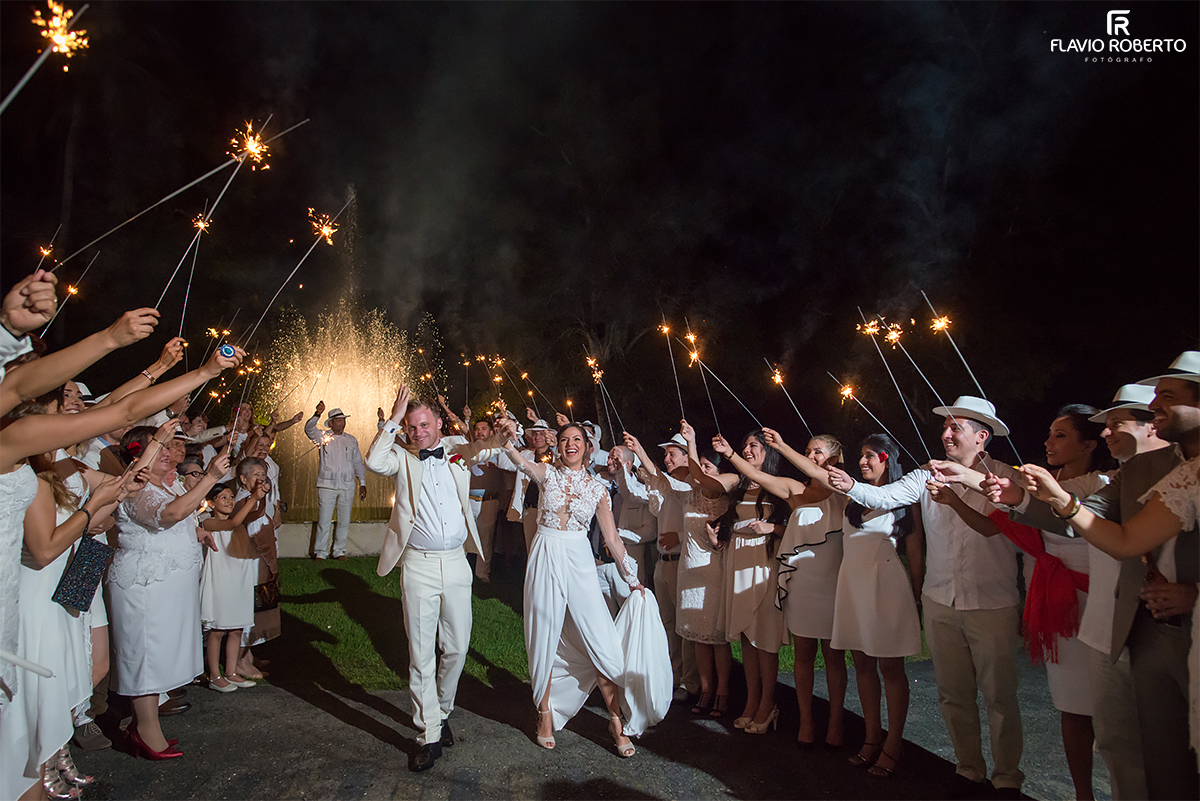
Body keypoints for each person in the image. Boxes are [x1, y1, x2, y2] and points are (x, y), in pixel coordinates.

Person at [993, 353, 1199, 800]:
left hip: (1187, 637)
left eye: (1168, 396)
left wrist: (1195, 594)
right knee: (1142, 755)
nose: (1105, 432)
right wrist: (1044, 499)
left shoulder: (1181, 470)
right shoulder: (1137, 473)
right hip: (1133, 630)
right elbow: (1090, 523)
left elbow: (1116, 535)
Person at [828, 396, 1024, 794]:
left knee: (1000, 697)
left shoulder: (1005, 478)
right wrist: (851, 485)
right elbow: (885, 497)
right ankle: (968, 769)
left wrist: (953, 499)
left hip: (992, 602)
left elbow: (993, 528)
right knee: (953, 695)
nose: (946, 433)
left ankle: (1006, 779)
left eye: (956, 427)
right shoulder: (925, 474)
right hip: (940, 599)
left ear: (981, 437)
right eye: (945, 426)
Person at [930, 405, 1110, 799]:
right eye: (1049, 434)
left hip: (1099, 602)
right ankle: (1083, 793)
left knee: (1114, 716)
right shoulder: (1040, 483)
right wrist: (956, 497)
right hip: (1052, 603)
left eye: (1060, 436)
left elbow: (1050, 506)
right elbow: (1005, 521)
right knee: (1071, 707)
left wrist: (969, 477)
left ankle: (1013, 776)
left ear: (1090, 445)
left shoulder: (1103, 483)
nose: (1048, 442)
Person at [365, 385, 512, 772]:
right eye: (413, 427)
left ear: (437, 423)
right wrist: (394, 419)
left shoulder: (456, 451)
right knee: (420, 653)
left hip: (456, 563)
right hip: (418, 565)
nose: (419, 432)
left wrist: (503, 432)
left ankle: (442, 710)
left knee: (458, 647)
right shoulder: (400, 457)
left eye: (424, 424)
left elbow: (488, 447)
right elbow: (374, 461)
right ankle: (427, 732)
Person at [502, 422, 664, 756]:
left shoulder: (598, 490)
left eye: (577, 440)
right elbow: (520, 461)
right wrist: (507, 442)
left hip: (578, 560)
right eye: (564, 440)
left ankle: (615, 718)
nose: (571, 444)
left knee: (598, 636)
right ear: (557, 446)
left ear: (588, 447)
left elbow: (613, 539)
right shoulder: (547, 474)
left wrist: (630, 575)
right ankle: (544, 714)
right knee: (543, 633)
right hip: (545, 555)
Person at [786, 430, 923, 775]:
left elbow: (916, 548)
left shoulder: (903, 494)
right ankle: (871, 736)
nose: (861, 462)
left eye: (869, 456)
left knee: (890, 669)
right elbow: (817, 473)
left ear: (885, 459)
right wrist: (782, 446)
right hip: (853, 584)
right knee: (862, 664)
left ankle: (894, 743)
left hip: (885, 583)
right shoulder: (851, 495)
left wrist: (919, 593)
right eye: (860, 455)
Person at [718, 428, 851, 750]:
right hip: (802, 580)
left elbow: (821, 475)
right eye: (807, 451)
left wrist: (783, 445)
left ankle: (835, 721)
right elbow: (754, 475)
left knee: (833, 657)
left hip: (834, 580)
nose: (809, 456)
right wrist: (730, 454)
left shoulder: (843, 487)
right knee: (804, 656)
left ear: (833, 459)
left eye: (816, 452)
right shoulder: (794, 489)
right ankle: (806, 719)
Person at [107, 428, 232, 759]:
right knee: (146, 653)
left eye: (169, 447)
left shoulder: (168, 483)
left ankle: (143, 725)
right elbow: (168, 514)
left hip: (169, 585)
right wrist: (211, 477)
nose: (169, 451)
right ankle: (144, 730)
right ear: (139, 455)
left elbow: (182, 515)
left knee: (161, 653)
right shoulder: (137, 487)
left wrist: (198, 530)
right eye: (159, 447)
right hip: (145, 585)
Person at [625, 424, 731, 718]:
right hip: (680, 567)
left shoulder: (705, 490)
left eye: (673, 453)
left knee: (711, 633)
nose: (668, 459)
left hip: (708, 568)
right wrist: (638, 452)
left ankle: (708, 687)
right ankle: (687, 681)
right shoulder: (683, 492)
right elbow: (658, 480)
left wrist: (691, 443)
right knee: (683, 627)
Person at [710, 429, 790, 734]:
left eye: (753, 445)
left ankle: (769, 703)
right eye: (744, 445)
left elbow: (792, 528)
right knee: (746, 634)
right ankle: (752, 700)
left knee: (764, 636)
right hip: (739, 560)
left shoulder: (778, 487)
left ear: (767, 452)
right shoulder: (740, 486)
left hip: (763, 563)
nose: (746, 449)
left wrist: (771, 529)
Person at [198, 481, 264, 692]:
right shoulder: (208, 523)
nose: (228, 501)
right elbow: (232, 523)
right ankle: (214, 675)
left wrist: (259, 496)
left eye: (231, 497)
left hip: (237, 579)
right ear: (211, 503)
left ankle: (231, 671)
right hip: (220, 579)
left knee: (236, 628)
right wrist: (252, 497)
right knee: (217, 629)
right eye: (223, 498)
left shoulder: (240, 524)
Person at [305, 401, 367, 561]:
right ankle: (320, 552)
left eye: (344, 420)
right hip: (327, 485)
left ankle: (339, 551)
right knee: (324, 520)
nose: (342, 423)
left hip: (347, 486)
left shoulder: (351, 440)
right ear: (331, 423)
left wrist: (363, 482)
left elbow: (357, 462)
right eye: (339, 420)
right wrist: (317, 414)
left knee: (344, 521)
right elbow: (309, 429)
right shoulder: (323, 437)